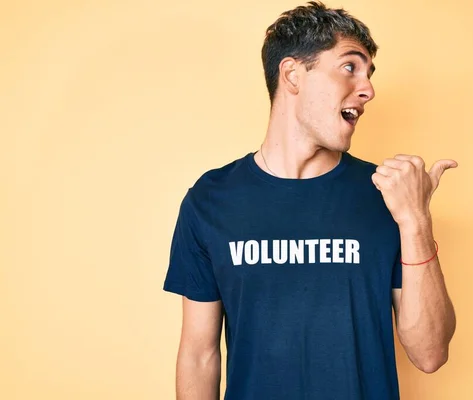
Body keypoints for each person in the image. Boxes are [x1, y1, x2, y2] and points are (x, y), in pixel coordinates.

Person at [162, 1, 457, 399]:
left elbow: (430, 353)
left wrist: (416, 220)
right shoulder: (210, 200)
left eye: (369, 74)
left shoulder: (387, 196)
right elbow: (199, 355)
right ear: (293, 74)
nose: (368, 89)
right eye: (350, 67)